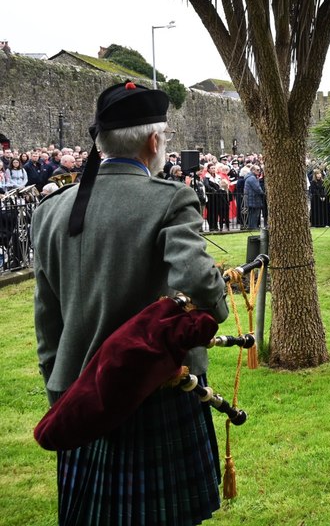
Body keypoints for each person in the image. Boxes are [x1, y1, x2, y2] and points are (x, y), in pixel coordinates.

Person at [32, 81, 229, 525]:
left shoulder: (49, 211)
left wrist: (61, 391)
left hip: (81, 397)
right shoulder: (171, 199)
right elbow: (200, 287)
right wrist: (218, 304)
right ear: (154, 141)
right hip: (155, 400)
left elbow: (47, 327)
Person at [244, 164, 266, 230]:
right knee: (254, 214)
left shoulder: (251, 177)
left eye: (259, 170)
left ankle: (252, 227)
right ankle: (253, 227)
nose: (259, 171)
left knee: (252, 214)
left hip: (252, 198)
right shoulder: (252, 178)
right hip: (253, 199)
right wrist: (263, 193)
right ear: (253, 170)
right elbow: (257, 188)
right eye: (257, 170)